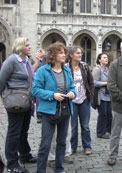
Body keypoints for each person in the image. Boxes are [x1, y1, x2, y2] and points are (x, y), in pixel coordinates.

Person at [32, 42, 76, 173]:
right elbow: (35, 90)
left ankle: (59, 169)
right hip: (49, 113)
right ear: (53, 55)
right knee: (45, 145)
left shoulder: (67, 70)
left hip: (65, 111)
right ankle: (40, 170)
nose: (64, 55)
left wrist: (73, 93)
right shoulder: (43, 70)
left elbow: (72, 87)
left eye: (64, 52)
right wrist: (53, 95)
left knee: (62, 143)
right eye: (61, 53)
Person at [0, 37, 37, 173]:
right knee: (14, 132)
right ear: (20, 47)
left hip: (27, 101)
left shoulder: (26, 61)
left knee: (23, 130)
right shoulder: (11, 61)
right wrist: (4, 99)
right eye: (27, 45)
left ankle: (25, 155)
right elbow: (1, 81)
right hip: (15, 102)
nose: (29, 47)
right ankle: (12, 163)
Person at [67, 46, 94, 155]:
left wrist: (90, 95)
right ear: (71, 55)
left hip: (84, 100)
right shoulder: (66, 67)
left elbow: (91, 82)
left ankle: (87, 146)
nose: (80, 55)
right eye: (77, 53)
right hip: (71, 101)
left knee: (85, 126)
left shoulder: (85, 66)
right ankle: (73, 147)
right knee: (73, 127)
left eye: (80, 53)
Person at [92, 53, 112, 139]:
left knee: (109, 114)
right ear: (99, 60)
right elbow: (94, 83)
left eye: (107, 57)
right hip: (101, 96)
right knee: (102, 114)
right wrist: (106, 83)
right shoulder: (97, 69)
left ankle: (108, 130)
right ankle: (100, 132)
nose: (106, 59)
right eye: (104, 57)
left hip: (108, 96)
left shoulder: (108, 70)